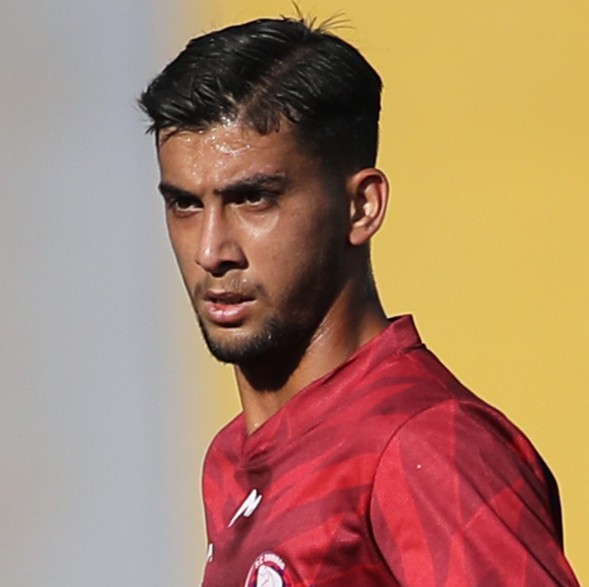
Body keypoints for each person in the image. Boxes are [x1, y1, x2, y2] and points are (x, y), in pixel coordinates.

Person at [139, 16, 579, 587]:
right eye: (185, 204)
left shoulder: (425, 443)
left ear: (362, 207)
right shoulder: (230, 460)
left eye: (253, 199)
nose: (210, 251)